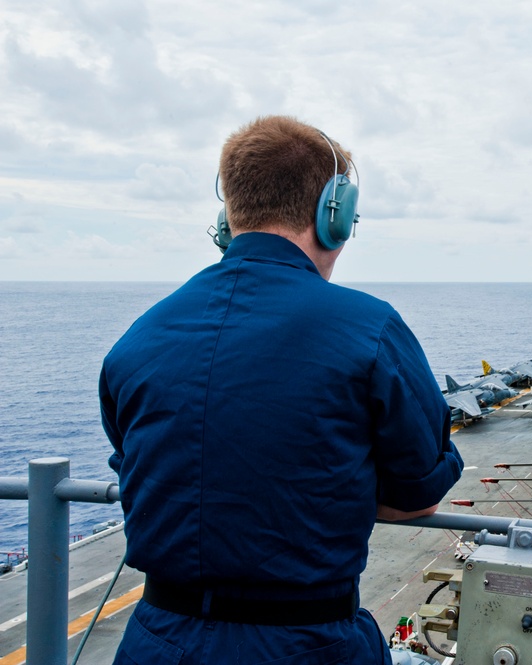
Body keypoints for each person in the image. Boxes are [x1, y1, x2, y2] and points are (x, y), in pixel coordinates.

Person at [99, 115, 463, 664]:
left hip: (154, 641)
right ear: (332, 216)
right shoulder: (371, 328)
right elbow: (418, 496)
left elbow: (142, 470)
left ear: (228, 218)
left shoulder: (136, 339)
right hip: (308, 643)